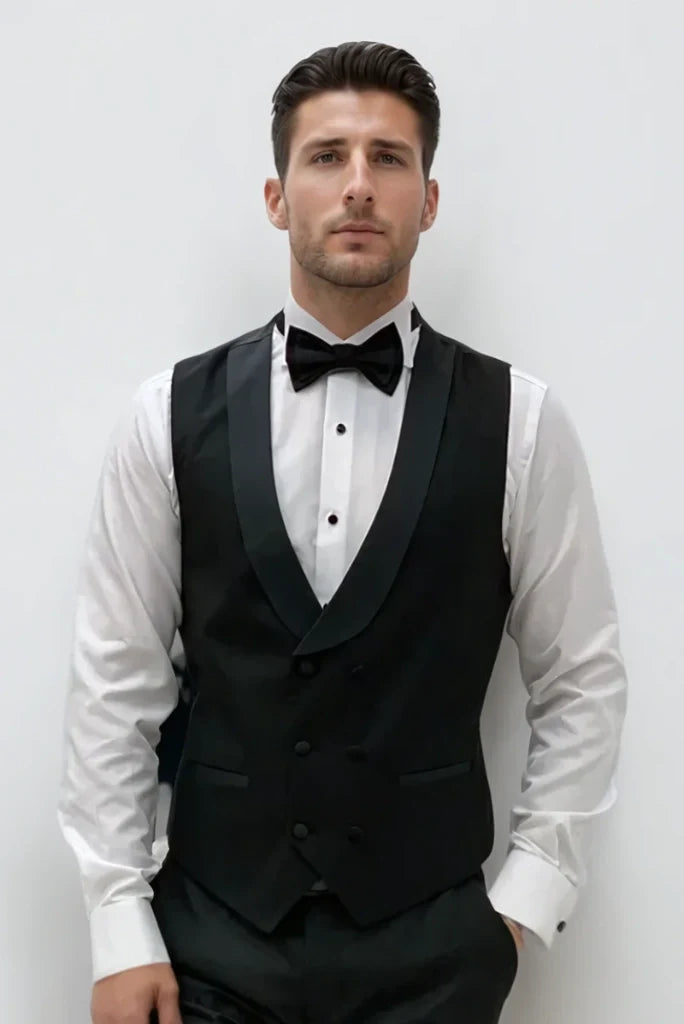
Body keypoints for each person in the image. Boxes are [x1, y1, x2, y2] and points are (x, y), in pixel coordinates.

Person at [57, 39, 628, 1024]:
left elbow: (582, 678)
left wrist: (522, 909)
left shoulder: (523, 423)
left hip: (436, 955)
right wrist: (118, 926)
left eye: (387, 158)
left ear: (428, 201)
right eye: (327, 156)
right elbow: (115, 683)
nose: (358, 184)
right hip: (208, 948)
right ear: (277, 197)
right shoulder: (165, 417)